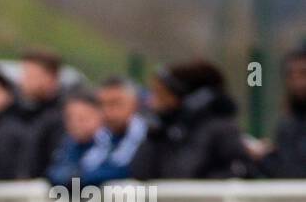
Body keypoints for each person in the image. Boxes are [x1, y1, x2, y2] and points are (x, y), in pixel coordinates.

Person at [130, 60, 255, 179]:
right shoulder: (164, 131)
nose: (151, 102)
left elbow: (183, 174)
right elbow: (141, 173)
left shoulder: (221, 130)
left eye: (159, 94)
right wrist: (154, 135)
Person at [46, 88, 114, 186]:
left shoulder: (110, 143)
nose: (76, 124)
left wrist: (79, 177)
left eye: (82, 118)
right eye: (70, 118)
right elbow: (54, 173)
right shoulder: (68, 144)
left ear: (100, 115)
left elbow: (114, 170)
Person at [257, 47, 306, 178]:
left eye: (303, 73)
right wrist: (268, 155)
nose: (298, 83)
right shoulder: (287, 124)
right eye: (291, 75)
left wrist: (264, 157)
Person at [18, 49, 66, 178]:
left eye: (30, 76)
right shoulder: (23, 114)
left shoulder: (64, 116)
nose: (22, 82)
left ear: (50, 77)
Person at [91, 76, 148, 182]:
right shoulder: (96, 136)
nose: (107, 111)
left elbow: (129, 171)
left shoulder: (148, 137)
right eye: (102, 104)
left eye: (115, 104)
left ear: (134, 104)